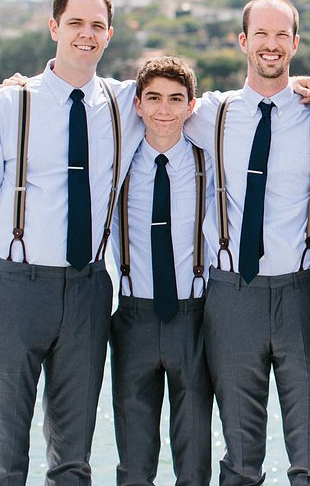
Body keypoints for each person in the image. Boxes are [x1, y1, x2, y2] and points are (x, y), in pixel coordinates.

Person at [0, 0, 144, 484]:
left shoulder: (127, 102)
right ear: (54, 28)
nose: (86, 34)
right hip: (15, 290)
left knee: (73, 456)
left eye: (97, 25)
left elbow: (193, 102)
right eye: (75, 23)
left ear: (109, 35)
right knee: (2, 453)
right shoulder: (9, 104)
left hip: (89, 291)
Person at [183, 0, 310, 485]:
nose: (271, 44)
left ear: (295, 43)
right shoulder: (212, 112)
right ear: (243, 41)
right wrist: (26, 85)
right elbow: (140, 99)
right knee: (240, 461)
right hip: (232, 297)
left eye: (281, 35)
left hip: (304, 295)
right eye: (261, 35)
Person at [108, 56, 214, 485]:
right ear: (137, 104)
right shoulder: (117, 161)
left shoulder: (211, 161)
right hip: (133, 317)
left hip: (194, 317)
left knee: (195, 456)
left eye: (175, 99)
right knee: (134, 462)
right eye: (153, 98)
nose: (164, 109)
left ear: (192, 106)